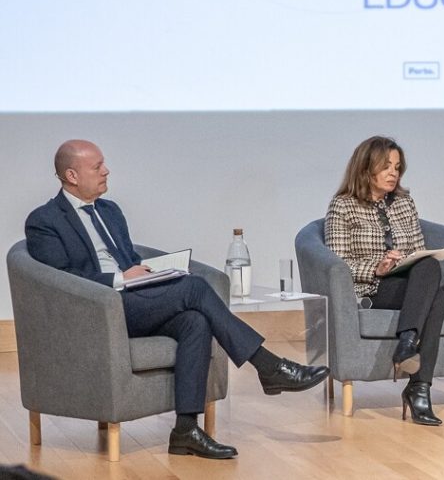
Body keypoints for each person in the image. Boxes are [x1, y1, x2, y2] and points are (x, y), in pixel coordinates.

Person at [25, 140, 330, 459]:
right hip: (98, 308)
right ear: (71, 175)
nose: (106, 170)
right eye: (97, 166)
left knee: (195, 322)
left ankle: (185, 430)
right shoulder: (45, 220)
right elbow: (60, 278)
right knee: (195, 288)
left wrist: (147, 272)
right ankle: (269, 366)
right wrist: (119, 278)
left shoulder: (110, 211)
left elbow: (129, 258)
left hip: (135, 301)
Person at [324, 136, 444, 426]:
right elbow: (338, 264)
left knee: (429, 266)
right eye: (386, 166)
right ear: (366, 168)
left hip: (409, 283)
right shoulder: (343, 206)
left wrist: (402, 258)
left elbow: (417, 249)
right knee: (437, 298)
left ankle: (408, 349)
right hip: (373, 289)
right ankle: (418, 388)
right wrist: (377, 268)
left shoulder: (404, 203)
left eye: (397, 167)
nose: (394, 173)